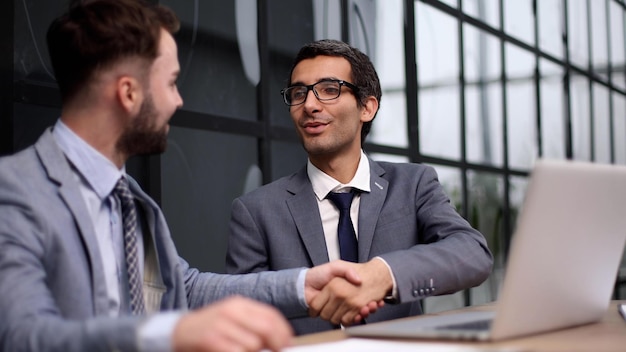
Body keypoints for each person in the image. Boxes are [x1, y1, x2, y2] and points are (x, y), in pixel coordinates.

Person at [0, 2, 377, 352]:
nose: (178, 101)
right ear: (128, 93)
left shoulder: (129, 197)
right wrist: (170, 333)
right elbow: (22, 334)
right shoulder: (13, 192)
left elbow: (186, 288)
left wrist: (301, 287)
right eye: (171, 83)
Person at [225, 39, 494, 335]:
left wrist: (383, 274)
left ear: (367, 107)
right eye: (299, 93)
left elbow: (473, 254)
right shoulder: (255, 211)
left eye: (329, 90)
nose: (309, 105)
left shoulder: (413, 184)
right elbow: (242, 312)